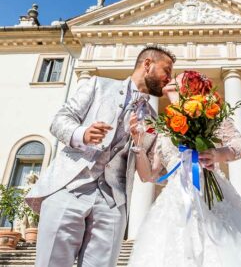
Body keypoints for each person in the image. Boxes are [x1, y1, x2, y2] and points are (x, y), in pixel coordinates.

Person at [25, 45, 175, 267]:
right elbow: (59, 120)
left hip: (113, 202)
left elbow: (149, 172)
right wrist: (82, 133)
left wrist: (138, 144)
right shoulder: (98, 85)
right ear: (147, 65)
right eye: (167, 70)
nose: (169, 78)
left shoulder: (154, 120)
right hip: (69, 188)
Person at [128, 71, 241, 267]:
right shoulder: (165, 127)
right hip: (175, 198)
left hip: (208, 190)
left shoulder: (208, 115)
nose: (171, 79)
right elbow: (149, 175)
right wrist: (138, 144)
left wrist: (217, 154)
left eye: (177, 78)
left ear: (190, 87)